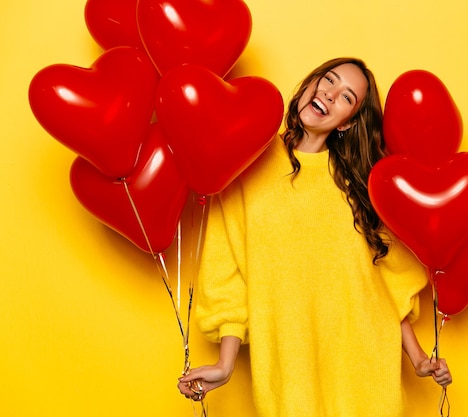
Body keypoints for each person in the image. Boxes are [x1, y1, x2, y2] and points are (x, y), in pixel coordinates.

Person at [177, 57, 452, 416]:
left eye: (346, 96)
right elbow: (226, 272)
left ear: (349, 121)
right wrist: (225, 364)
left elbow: (386, 280)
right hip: (288, 366)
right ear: (311, 83)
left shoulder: (361, 181)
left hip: (364, 365)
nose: (330, 93)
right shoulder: (246, 157)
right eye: (328, 80)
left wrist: (418, 359)